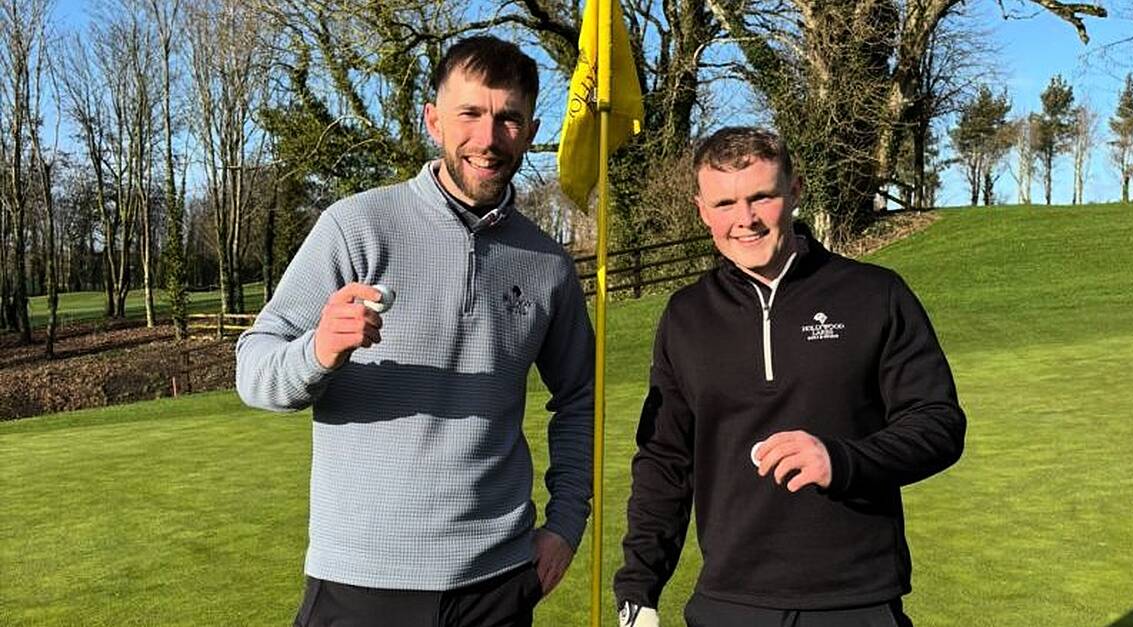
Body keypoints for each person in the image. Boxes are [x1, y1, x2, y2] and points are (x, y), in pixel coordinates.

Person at [236, 36, 594, 627]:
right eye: (470, 114)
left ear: (530, 132)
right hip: (359, 582)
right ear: (433, 121)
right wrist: (319, 349)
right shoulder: (355, 227)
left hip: (497, 586)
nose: (488, 137)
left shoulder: (546, 262)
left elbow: (579, 397)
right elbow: (254, 371)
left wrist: (565, 525)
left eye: (508, 118)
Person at [613, 127, 966, 627]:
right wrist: (638, 587)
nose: (745, 220)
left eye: (762, 197)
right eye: (725, 203)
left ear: (795, 190)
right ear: (701, 210)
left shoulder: (874, 295)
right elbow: (666, 459)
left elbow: (939, 424)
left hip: (856, 599)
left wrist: (842, 459)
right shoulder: (685, 317)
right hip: (729, 601)